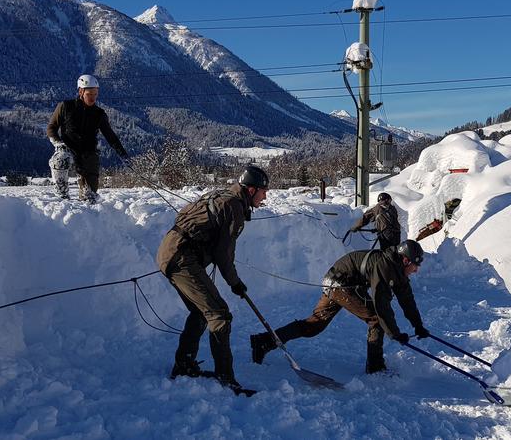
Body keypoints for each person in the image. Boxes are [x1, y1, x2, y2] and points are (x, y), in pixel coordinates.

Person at [156, 166, 269, 395]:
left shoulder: (224, 197)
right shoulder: (233, 206)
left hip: (173, 254)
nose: (265, 196)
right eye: (263, 191)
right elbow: (224, 254)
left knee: (201, 311)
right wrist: (235, 282)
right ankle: (226, 379)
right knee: (219, 314)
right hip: (182, 259)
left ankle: (184, 364)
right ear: (251, 190)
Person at [250, 239, 429, 374]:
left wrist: (418, 325)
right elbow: (381, 305)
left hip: (337, 283)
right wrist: (394, 333)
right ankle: (375, 368)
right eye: (415, 265)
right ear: (406, 260)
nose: (416, 270)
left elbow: (407, 299)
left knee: (315, 325)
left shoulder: (397, 270)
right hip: (340, 284)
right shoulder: (386, 267)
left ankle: (264, 341)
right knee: (376, 319)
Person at [46, 74, 129, 203]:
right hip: (68, 149)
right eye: (90, 94)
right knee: (60, 158)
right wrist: (58, 143)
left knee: (89, 198)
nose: (93, 98)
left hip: (88, 153)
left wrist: (124, 156)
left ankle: (86, 204)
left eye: (95, 94)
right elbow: (51, 127)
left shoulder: (99, 114)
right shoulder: (65, 107)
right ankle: (62, 195)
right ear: (81, 91)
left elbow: (110, 136)